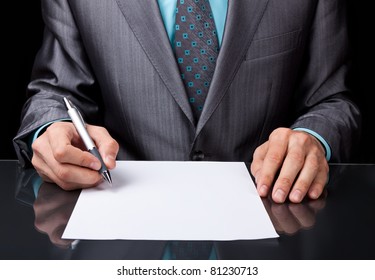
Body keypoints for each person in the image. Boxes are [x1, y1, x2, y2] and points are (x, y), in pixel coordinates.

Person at [14, 0, 361, 204]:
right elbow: (55, 93)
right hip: (122, 221)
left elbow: (333, 100)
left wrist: (313, 139)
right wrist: (50, 128)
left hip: (271, 218)